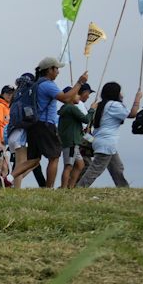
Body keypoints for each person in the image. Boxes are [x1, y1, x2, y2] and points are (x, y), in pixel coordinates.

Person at [13, 57, 84, 188]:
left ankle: (7, 178)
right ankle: (49, 188)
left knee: (34, 159)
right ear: (49, 69)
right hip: (45, 125)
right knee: (54, 156)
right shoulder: (48, 85)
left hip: (33, 125)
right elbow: (66, 98)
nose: (58, 72)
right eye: (56, 69)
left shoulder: (36, 84)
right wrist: (79, 83)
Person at [76, 82, 134, 187]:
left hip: (101, 141)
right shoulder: (113, 105)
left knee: (117, 167)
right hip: (106, 143)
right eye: (119, 91)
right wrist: (138, 99)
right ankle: (79, 188)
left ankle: (123, 188)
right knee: (95, 169)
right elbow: (132, 114)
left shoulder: (101, 105)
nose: (121, 94)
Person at [56, 81, 93, 188]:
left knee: (80, 165)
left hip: (73, 142)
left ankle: (71, 187)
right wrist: (92, 109)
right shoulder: (71, 108)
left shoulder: (66, 109)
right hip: (72, 142)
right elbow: (86, 119)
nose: (79, 96)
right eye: (77, 94)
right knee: (69, 166)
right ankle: (64, 188)